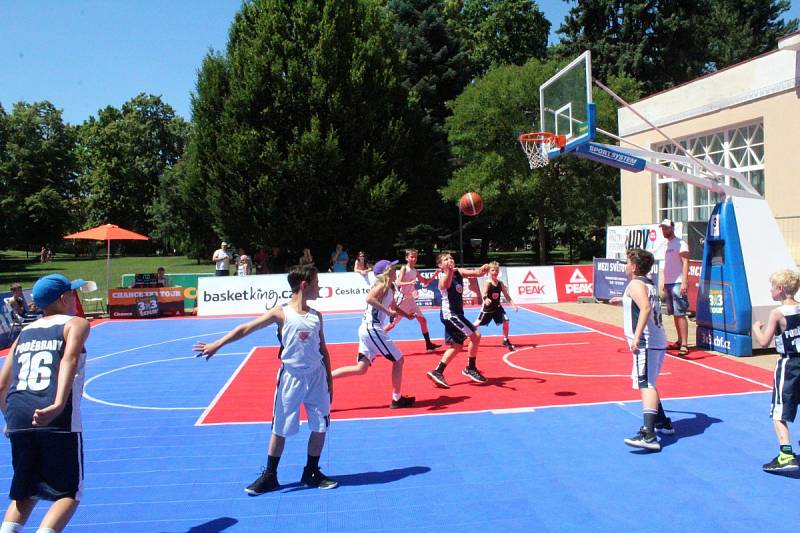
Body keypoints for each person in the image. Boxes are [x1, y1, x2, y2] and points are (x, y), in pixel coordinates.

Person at [193, 265, 337, 494]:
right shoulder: (280, 313)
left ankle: (311, 471)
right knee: (280, 428)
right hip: (291, 376)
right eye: (317, 282)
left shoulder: (316, 316)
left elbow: (323, 348)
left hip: (317, 376)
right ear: (304, 284)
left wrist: (329, 378)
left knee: (320, 426)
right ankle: (270, 475)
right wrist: (217, 344)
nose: (320, 286)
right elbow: (245, 328)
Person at [0, 274, 90, 533]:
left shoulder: (24, 332)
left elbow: (2, 384)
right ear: (63, 298)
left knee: (25, 490)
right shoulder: (75, 324)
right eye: (72, 293)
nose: (75, 298)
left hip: (18, 414)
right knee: (68, 492)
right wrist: (59, 403)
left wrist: (8, 418)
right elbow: (68, 359)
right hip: (55, 415)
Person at [608, 249, 672, 452]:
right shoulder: (648, 283)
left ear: (634, 267)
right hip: (656, 340)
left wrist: (636, 337)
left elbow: (644, 308)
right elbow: (643, 304)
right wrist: (624, 301)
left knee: (647, 383)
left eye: (627, 263)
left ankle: (649, 433)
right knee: (649, 380)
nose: (625, 266)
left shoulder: (636, 284)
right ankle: (662, 421)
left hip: (647, 341)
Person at [331, 259, 415, 409]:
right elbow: (369, 298)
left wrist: (406, 315)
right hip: (372, 328)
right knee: (399, 360)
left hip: (367, 329)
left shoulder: (390, 288)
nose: (395, 269)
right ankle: (397, 399)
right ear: (387, 271)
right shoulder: (381, 285)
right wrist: (386, 311)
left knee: (360, 369)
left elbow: (394, 306)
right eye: (393, 267)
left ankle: (326, 378)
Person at [751, 269, 800, 473]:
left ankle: (786, 454)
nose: (770, 290)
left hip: (789, 365)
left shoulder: (777, 313)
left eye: (772, 286)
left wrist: (756, 328)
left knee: (778, 412)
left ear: (780, 289)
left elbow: (763, 342)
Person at [426, 253, 489, 388]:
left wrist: (483, 269)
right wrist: (448, 271)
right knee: (476, 336)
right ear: (440, 266)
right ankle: (470, 368)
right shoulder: (443, 277)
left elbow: (476, 273)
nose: (450, 260)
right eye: (446, 260)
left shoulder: (458, 271)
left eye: (451, 258)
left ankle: (438, 371)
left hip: (457, 314)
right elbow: (446, 284)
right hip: (451, 315)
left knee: (457, 346)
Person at [384, 249, 440, 352]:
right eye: (411, 257)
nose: (414, 259)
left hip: (411, 300)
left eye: (415, 257)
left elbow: (426, 282)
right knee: (392, 324)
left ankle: (428, 345)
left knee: (422, 320)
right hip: (402, 299)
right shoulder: (404, 268)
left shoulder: (415, 271)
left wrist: (435, 274)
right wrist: (410, 283)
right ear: (407, 258)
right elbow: (399, 283)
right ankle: (375, 339)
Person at [658, 219, 690, 356]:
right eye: (663, 228)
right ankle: (679, 341)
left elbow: (685, 262)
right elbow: (667, 266)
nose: (664, 230)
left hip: (677, 283)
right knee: (675, 314)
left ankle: (684, 343)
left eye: (666, 228)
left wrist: (684, 282)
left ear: (672, 228)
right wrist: (664, 283)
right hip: (669, 283)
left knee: (680, 314)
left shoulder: (680, 243)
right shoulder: (666, 244)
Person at [473, 261, 519, 350]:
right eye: (493, 270)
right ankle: (462, 334)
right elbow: (484, 293)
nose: (495, 272)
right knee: (477, 323)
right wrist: (486, 299)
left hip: (498, 307)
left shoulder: (500, 283)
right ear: (489, 272)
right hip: (488, 308)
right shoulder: (488, 282)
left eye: (496, 270)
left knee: (506, 320)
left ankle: (505, 340)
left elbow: (506, 295)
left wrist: (513, 304)